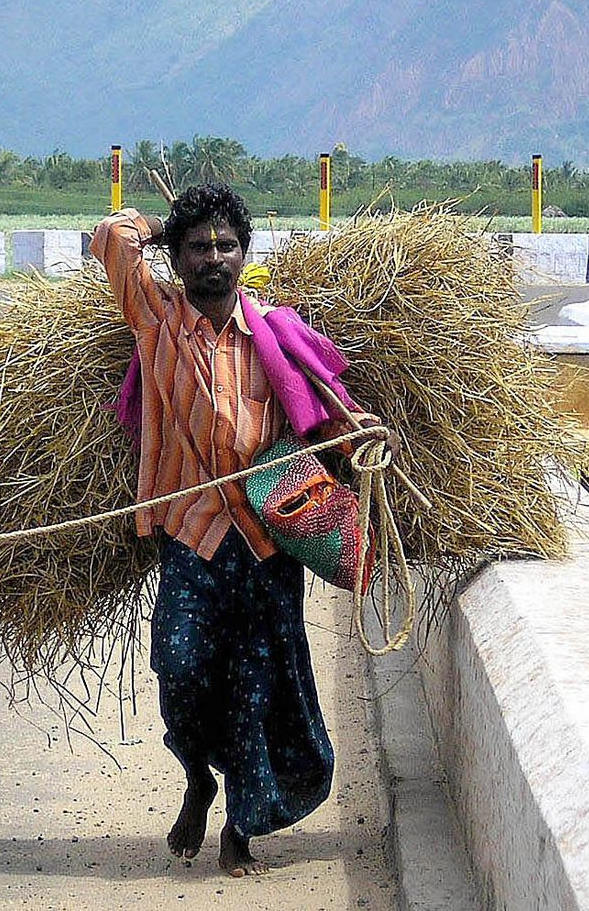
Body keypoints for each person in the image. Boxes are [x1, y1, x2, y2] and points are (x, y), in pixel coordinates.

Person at [92, 183, 370, 878]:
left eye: (226, 244)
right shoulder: (155, 321)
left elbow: (323, 409)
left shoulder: (277, 332)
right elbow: (111, 235)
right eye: (198, 246)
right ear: (177, 259)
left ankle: (241, 827)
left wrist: (354, 431)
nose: (214, 257)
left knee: (255, 688)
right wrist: (163, 223)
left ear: (245, 254)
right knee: (180, 670)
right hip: (191, 533)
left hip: (269, 541)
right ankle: (197, 777)